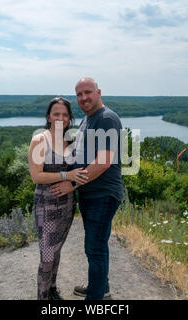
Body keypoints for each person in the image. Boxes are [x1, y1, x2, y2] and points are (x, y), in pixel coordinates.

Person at [49, 78, 124, 300]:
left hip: (103, 194)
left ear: (98, 92)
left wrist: (71, 183)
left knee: (94, 249)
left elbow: (103, 162)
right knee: (98, 245)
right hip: (91, 193)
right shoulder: (88, 120)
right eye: (79, 94)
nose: (83, 98)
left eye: (88, 93)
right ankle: (101, 287)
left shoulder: (106, 119)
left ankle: (95, 299)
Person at [28, 97, 89, 300]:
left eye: (65, 114)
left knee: (56, 250)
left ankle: (52, 289)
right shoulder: (39, 140)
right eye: (56, 114)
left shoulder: (70, 140)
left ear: (69, 118)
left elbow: (82, 169)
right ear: (48, 116)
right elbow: (36, 176)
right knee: (46, 256)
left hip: (67, 205)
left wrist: (73, 182)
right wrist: (67, 176)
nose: (60, 118)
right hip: (46, 206)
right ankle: (43, 297)